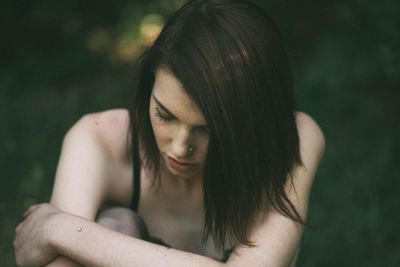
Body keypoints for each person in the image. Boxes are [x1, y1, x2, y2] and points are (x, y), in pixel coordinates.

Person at [14, 0, 325, 266]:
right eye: (165, 115)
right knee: (118, 224)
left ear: (252, 119)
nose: (179, 148)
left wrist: (58, 229)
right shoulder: (99, 140)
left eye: (208, 130)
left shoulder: (294, 140)